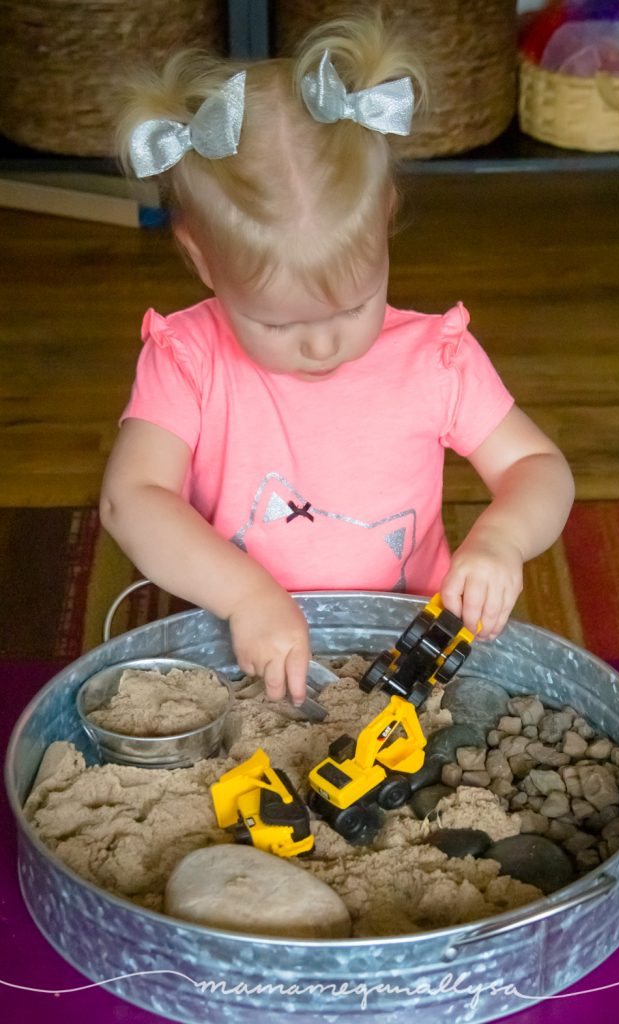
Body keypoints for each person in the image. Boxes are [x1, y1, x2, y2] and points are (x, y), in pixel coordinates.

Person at [100, 13, 575, 708]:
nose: (322, 344)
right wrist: (245, 595)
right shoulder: (189, 359)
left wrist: (501, 539)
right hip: (246, 642)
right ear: (200, 260)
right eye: (276, 322)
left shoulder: (435, 360)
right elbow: (130, 499)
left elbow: (540, 469)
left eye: (354, 307)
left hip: (410, 638)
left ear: (384, 217)